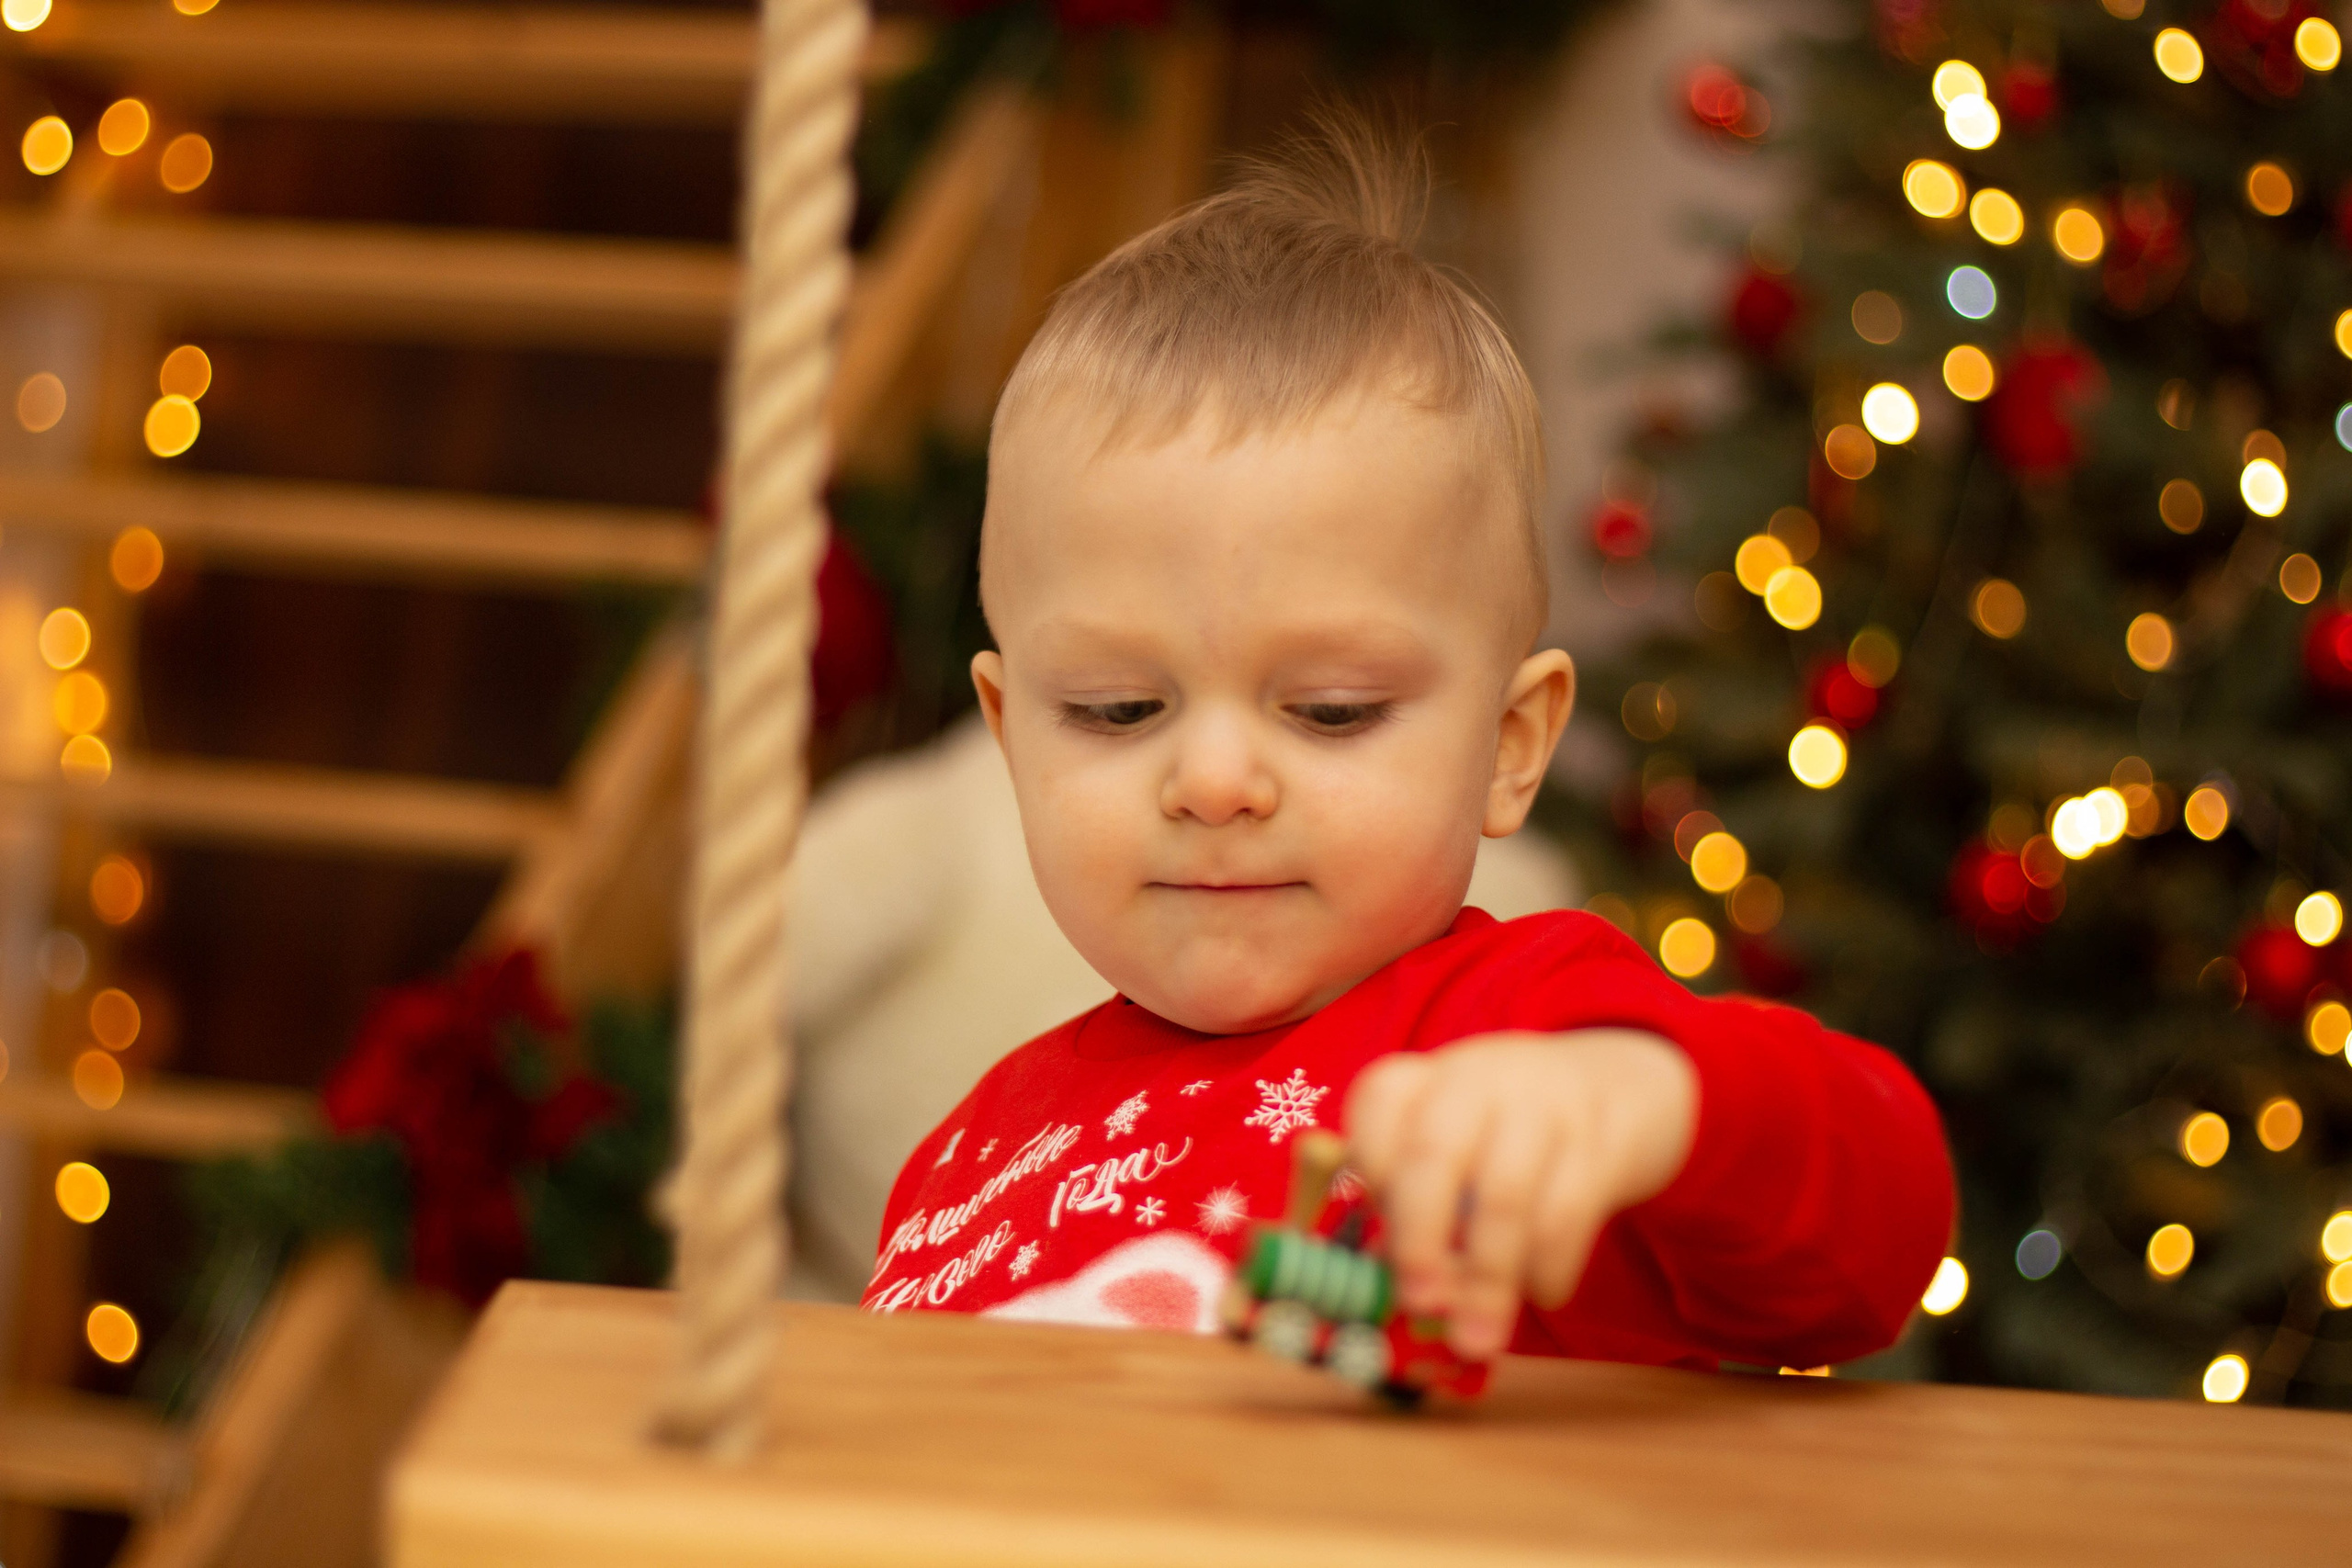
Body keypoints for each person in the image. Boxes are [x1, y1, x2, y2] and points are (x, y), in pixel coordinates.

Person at [861, 114, 1952, 1374]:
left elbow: (1888, 1218)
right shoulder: (965, 1156)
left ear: (1509, 744)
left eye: (1331, 710)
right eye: (1116, 709)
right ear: (1011, 739)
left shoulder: (1531, 1039)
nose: (1212, 784)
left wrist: (1649, 1103)